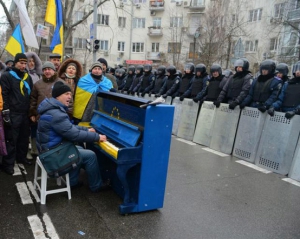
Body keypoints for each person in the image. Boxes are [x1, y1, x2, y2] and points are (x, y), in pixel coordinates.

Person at [37, 81, 109, 192]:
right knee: (90, 155)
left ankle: (73, 182)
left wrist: (87, 130)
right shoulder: (57, 114)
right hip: (52, 154)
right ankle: (96, 185)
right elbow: (74, 135)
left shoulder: (52, 109)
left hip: (49, 149)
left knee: (78, 149)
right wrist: (97, 137)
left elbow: (69, 127)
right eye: (66, 94)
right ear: (57, 96)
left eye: (70, 94)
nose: (70, 97)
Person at [0, 53, 33, 175]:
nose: (23, 66)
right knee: (11, 139)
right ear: (15, 63)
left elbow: (31, 96)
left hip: (25, 113)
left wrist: (31, 112)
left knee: (24, 139)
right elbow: (5, 95)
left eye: (25, 63)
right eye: (21, 63)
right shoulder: (7, 76)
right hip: (13, 113)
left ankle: (21, 158)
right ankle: (7, 164)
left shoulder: (27, 77)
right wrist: (6, 112)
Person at [25, 52, 43, 158]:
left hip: (34, 106)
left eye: (33, 61)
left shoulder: (38, 75)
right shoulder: (24, 75)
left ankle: (34, 149)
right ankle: (26, 149)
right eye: (29, 61)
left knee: (34, 128)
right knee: (25, 130)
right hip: (24, 106)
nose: (31, 63)